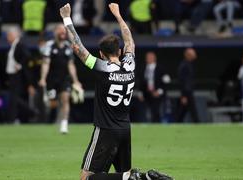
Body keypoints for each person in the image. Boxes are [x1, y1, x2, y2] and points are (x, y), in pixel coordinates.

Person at [59, 3, 172, 180]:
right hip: (125, 129)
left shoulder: (100, 67)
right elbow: (129, 41)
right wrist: (118, 16)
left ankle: (132, 177)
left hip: (105, 130)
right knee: (124, 174)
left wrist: (66, 18)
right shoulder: (130, 65)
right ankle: (144, 177)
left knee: (86, 177)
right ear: (119, 52)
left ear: (101, 54)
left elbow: (77, 46)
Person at [38, 24, 82, 133]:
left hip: (64, 79)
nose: (63, 32)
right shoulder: (49, 46)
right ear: (55, 32)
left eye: (64, 31)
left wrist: (76, 80)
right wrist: (43, 78)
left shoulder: (68, 46)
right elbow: (45, 63)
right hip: (51, 80)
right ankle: (49, 121)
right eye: (60, 30)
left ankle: (64, 124)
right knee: (52, 103)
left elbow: (71, 65)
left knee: (65, 99)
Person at [5, 27, 36, 124]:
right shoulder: (13, 46)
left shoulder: (20, 45)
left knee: (15, 99)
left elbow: (28, 57)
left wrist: (20, 65)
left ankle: (31, 113)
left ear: (15, 35)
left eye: (9, 35)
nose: (7, 37)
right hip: (12, 77)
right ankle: (14, 119)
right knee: (13, 99)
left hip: (18, 76)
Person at [139, 51, 169, 123]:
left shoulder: (161, 68)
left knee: (156, 111)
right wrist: (140, 93)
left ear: (154, 58)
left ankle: (157, 125)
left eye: (150, 57)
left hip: (157, 94)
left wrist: (159, 91)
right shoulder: (143, 68)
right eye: (147, 57)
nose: (149, 59)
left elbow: (166, 81)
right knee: (146, 112)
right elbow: (141, 81)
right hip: (146, 93)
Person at [177, 48, 199, 123]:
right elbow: (183, 81)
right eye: (193, 54)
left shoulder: (189, 64)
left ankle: (177, 123)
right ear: (188, 55)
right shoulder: (184, 65)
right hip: (187, 92)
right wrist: (184, 95)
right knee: (192, 111)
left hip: (188, 91)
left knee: (182, 111)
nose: (195, 55)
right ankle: (198, 124)